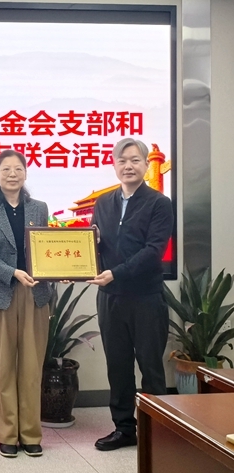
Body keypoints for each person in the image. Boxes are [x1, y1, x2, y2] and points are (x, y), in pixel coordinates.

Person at [88, 137, 174, 451]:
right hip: (111, 298)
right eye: (122, 160)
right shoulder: (103, 203)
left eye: (135, 160)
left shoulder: (159, 203)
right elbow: (93, 245)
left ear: (146, 165)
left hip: (146, 297)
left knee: (151, 368)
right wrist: (78, 267)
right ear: (114, 165)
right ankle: (124, 429)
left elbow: (154, 251)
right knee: (118, 367)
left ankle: (158, 433)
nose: (128, 166)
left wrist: (117, 272)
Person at [0, 150, 52, 458]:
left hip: (35, 294)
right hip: (1, 293)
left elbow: (46, 249)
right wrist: (13, 272)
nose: (12, 174)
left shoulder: (39, 208)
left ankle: (31, 434)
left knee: (32, 367)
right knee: (4, 367)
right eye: (5, 169)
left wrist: (59, 270)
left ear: (25, 174)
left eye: (18, 169)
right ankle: (7, 434)